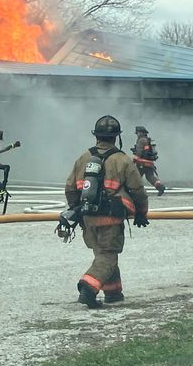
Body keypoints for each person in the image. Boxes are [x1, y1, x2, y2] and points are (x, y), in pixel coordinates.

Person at [63, 115, 149, 308]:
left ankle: (113, 293)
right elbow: (138, 190)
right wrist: (142, 213)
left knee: (102, 254)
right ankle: (88, 288)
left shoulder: (83, 158)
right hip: (111, 217)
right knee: (108, 256)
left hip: (88, 217)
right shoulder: (123, 160)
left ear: (96, 136)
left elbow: (70, 188)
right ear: (117, 137)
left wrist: (76, 211)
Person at [132, 126, 166, 195]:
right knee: (150, 177)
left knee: (135, 177)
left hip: (142, 163)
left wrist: (134, 159)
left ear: (140, 133)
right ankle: (160, 187)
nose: (137, 134)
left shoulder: (141, 140)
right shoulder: (148, 140)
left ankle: (134, 192)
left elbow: (139, 152)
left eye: (137, 133)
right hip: (149, 163)